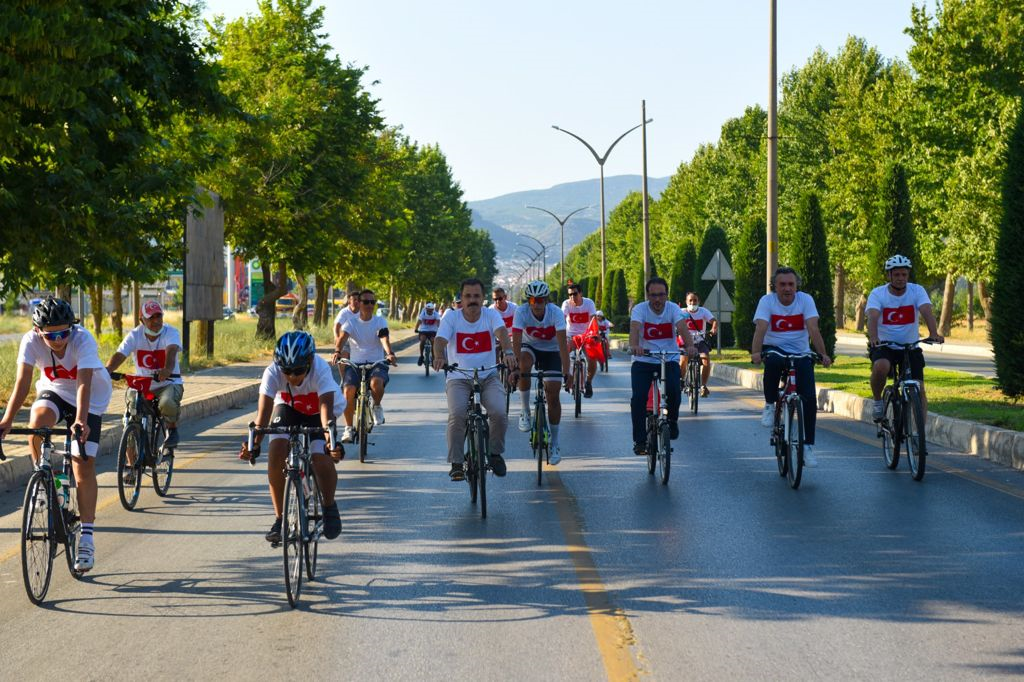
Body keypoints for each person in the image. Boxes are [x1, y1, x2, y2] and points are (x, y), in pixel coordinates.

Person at [0, 296, 113, 572]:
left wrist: (81, 421)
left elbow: (84, 384)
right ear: (39, 331)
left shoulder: (82, 339)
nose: (59, 339)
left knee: (82, 464)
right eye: (52, 335)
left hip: (91, 397)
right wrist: (6, 420)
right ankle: (46, 479)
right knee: (38, 420)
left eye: (64, 332)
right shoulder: (30, 341)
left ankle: (86, 536)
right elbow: (23, 382)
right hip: (55, 391)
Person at [239, 331, 344, 543]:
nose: (293, 377)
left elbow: (325, 412)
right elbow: (263, 416)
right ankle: (280, 520)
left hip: (318, 412)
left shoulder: (321, 369)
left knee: (320, 457)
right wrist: (254, 445)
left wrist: (331, 442)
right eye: (287, 371)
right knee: (276, 451)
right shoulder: (272, 372)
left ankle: (329, 506)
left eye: (298, 371)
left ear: (310, 361)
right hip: (288, 408)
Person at [432, 278, 517, 481]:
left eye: (476, 296)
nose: (472, 300)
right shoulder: (452, 317)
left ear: (482, 298)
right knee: (458, 413)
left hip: (488, 375)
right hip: (458, 377)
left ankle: (495, 453)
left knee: (498, 411)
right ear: (461, 298)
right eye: (468, 296)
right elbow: (440, 340)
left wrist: (507, 351)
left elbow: (502, 333)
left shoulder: (491, 314)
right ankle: (456, 463)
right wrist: (439, 356)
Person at [750, 267, 833, 466]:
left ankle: (807, 447)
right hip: (775, 348)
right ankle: (770, 405)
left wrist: (823, 354)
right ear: (775, 287)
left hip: (800, 352)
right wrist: (756, 352)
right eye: (782, 284)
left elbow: (813, 328)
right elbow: (761, 328)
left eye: (791, 284)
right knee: (774, 362)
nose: (787, 289)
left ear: (797, 286)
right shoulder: (767, 302)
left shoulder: (805, 300)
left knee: (809, 399)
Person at [867, 254, 943, 419]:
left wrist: (933, 333)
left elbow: (926, 311)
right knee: (881, 367)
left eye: (904, 275)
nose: (901, 278)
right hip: (885, 346)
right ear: (889, 276)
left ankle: (920, 434)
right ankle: (878, 400)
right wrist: (873, 336)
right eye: (896, 275)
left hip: (910, 347)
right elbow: (872, 316)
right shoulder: (878, 294)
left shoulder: (917, 290)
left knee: (919, 388)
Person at [629, 278, 697, 455]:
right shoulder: (639, 309)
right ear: (647, 296)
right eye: (653, 295)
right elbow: (635, 329)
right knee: (638, 399)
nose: (657, 299)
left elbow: (682, 328)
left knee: (674, 390)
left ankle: (672, 421)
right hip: (644, 360)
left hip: (669, 358)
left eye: (661, 295)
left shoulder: (673, 308)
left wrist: (690, 346)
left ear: (666, 295)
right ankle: (640, 441)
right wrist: (635, 346)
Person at [106, 300, 184, 449]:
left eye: (158, 316)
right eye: (151, 318)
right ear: (142, 320)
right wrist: (107, 370)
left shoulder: (171, 332)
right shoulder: (135, 335)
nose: (156, 321)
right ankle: (130, 467)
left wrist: (167, 369)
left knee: (166, 403)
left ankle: (172, 429)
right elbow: (120, 354)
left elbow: (172, 350)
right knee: (130, 420)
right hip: (143, 385)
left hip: (169, 383)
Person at [512, 280, 570, 464]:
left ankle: (555, 444)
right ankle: (525, 411)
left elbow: (562, 345)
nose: (536, 304)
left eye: (540, 300)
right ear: (528, 301)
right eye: (533, 300)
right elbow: (516, 341)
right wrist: (513, 368)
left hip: (552, 350)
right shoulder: (521, 312)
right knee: (523, 363)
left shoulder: (556, 313)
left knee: (553, 395)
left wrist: (567, 372)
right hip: (529, 346)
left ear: (547, 300)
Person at [332, 289, 397, 442]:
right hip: (355, 364)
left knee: (376, 383)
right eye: (366, 302)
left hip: (376, 363)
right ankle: (348, 429)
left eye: (372, 302)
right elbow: (342, 338)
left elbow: (384, 338)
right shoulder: (351, 322)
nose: (369, 305)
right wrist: (337, 351)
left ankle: (377, 406)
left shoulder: (379, 321)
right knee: (348, 390)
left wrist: (389, 353)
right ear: (359, 303)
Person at [678, 291, 718, 398]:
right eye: (690, 300)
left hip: (700, 341)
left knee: (706, 359)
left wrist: (714, 328)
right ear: (686, 302)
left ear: (698, 301)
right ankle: (681, 380)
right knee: (683, 360)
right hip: (685, 342)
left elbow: (713, 320)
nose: (692, 302)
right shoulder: (681, 312)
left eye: (695, 300)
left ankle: (703, 386)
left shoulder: (703, 311)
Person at [561, 282, 598, 397]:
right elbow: (561, 320)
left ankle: (588, 382)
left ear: (581, 293)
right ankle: (567, 376)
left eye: (575, 294)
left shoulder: (589, 303)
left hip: (586, 336)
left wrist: (594, 334)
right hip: (571, 336)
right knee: (563, 353)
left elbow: (593, 320)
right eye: (570, 295)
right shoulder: (566, 304)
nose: (572, 297)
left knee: (592, 359)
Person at [332, 289, 361, 354]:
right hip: (345, 341)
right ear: (349, 302)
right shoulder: (344, 312)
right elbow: (337, 325)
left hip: (358, 341)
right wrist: (336, 337)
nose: (357, 302)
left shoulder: (363, 312)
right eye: (354, 300)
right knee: (344, 357)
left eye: (358, 300)